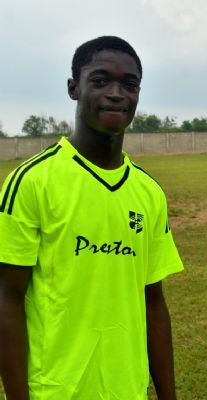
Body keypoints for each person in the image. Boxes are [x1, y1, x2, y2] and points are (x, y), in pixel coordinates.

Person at [0, 36, 183, 400]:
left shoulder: (149, 192)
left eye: (129, 84)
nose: (116, 93)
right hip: (54, 390)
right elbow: (7, 298)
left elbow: (153, 302)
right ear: (74, 88)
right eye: (100, 81)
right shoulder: (32, 181)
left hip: (127, 389)